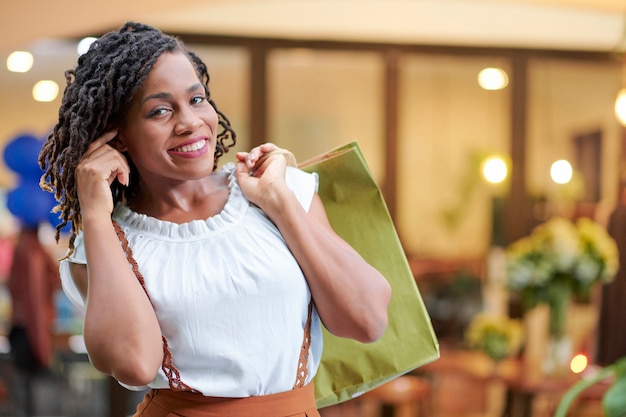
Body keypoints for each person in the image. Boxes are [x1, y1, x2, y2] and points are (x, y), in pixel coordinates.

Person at [38, 21, 391, 416]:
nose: (189, 122)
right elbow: (135, 365)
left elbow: (368, 320)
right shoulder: (107, 240)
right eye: (159, 110)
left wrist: (280, 201)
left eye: (196, 99)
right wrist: (96, 216)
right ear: (117, 136)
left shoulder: (275, 189)